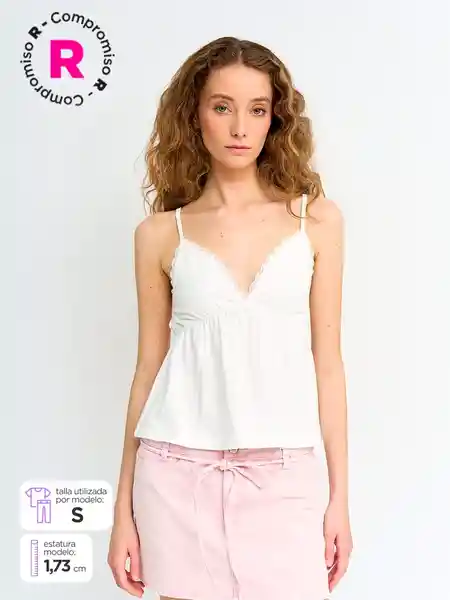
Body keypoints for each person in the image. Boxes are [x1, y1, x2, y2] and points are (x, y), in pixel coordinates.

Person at [108, 36, 352, 600]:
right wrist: (123, 510)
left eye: (257, 109)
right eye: (222, 107)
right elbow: (147, 371)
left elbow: (329, 366)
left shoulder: (316, 222)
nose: (240, 127)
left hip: (284, 478)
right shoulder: (159, 234)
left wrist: (339, 498)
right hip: (174, 476)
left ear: (275, 119)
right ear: (194, 116)